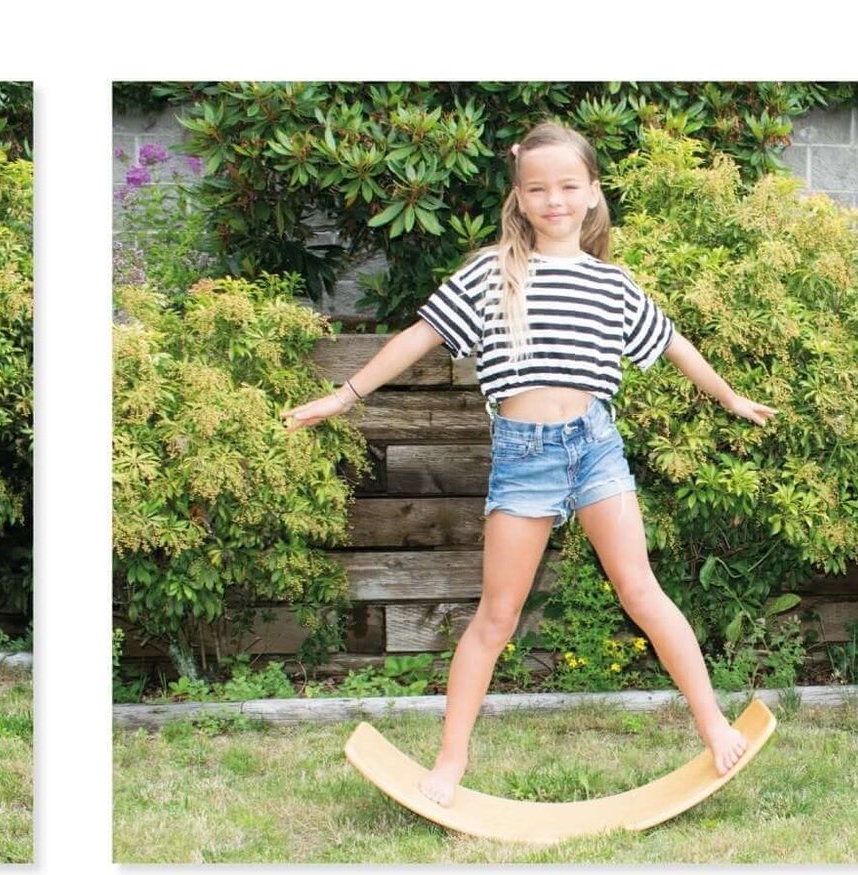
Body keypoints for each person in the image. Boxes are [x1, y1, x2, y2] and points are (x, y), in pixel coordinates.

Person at [287, 122, 775, 806]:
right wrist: (344, 395)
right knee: (497, 615)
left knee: (642, 592)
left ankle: (712, 722)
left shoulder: (612, 284)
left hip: (596, 448)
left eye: (568, 187)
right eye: (538, 189)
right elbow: (419, 336)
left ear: (592, 195)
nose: (554, 200)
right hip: (525, 458)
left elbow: (672, 344)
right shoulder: (493, 274)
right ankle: (451, 760)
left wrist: (729, 396)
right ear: (519, 198)